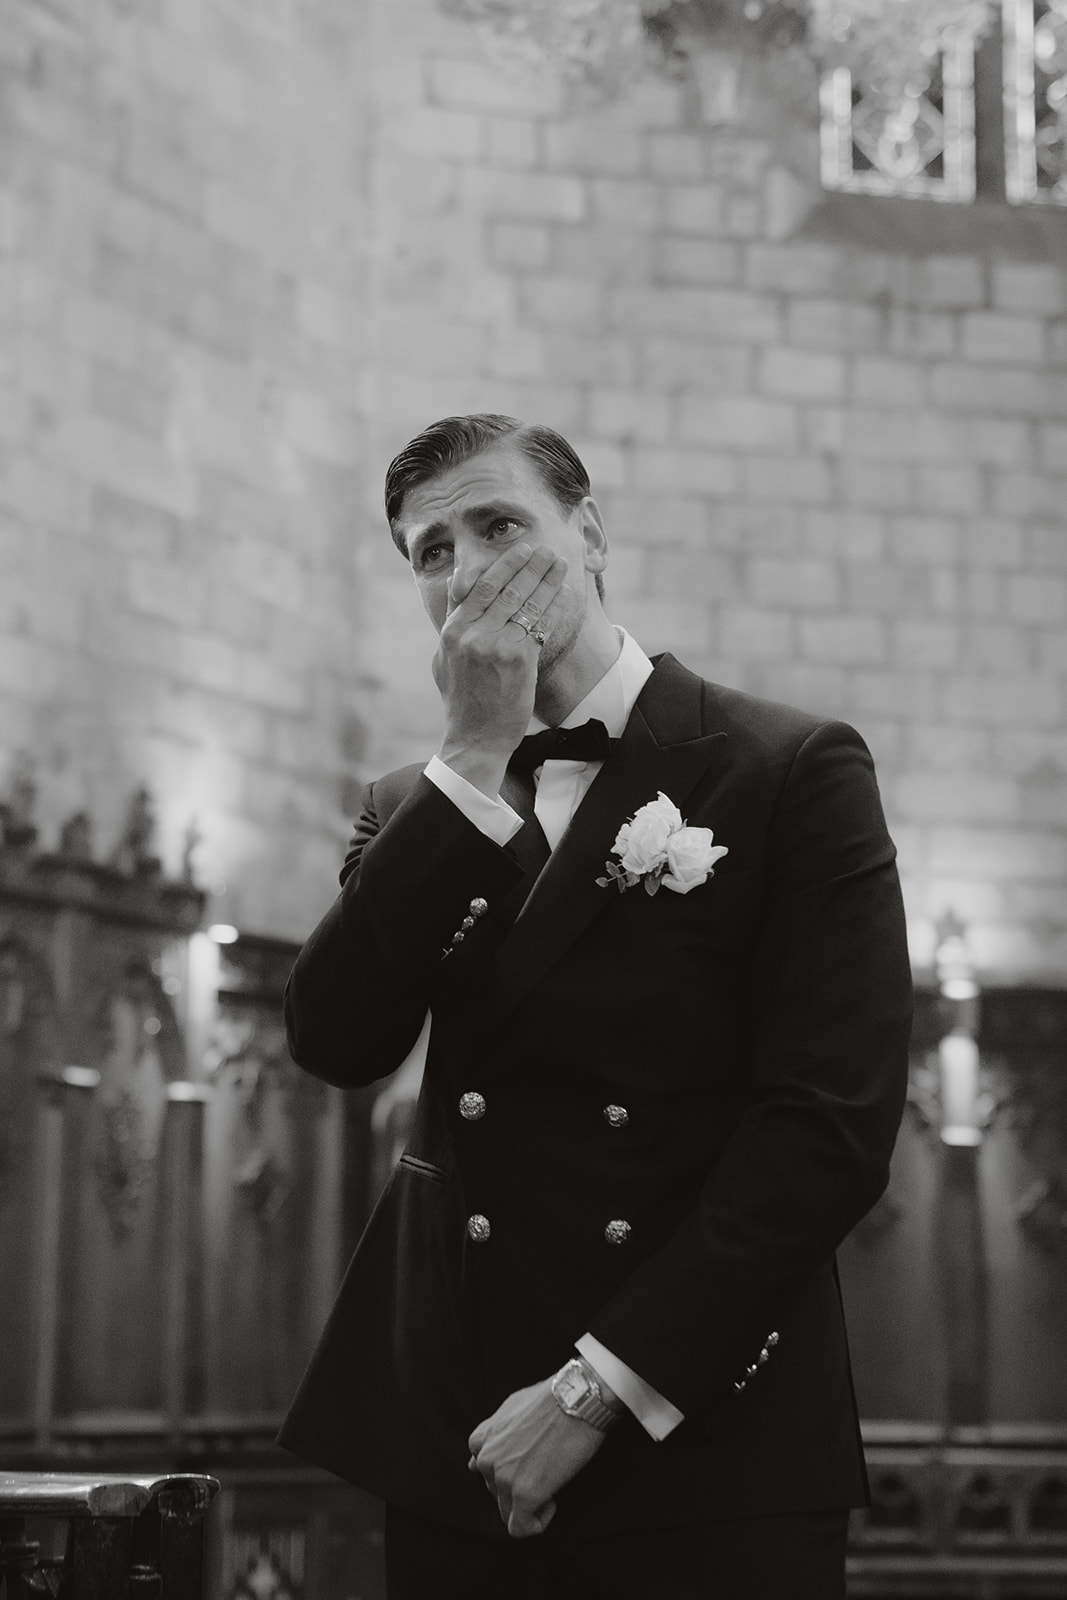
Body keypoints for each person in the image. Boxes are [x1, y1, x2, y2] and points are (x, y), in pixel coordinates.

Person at [277, 413, 914, 1599]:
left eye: (499, 523)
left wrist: (596, 1388)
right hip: (458, 1434)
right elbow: (333, 1040)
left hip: (704, 1430)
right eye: (429, 550)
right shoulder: (410, 803)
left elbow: (826, 1127)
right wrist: (469, 758)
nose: (466, 566)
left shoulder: (787, 768)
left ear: (591, 532)